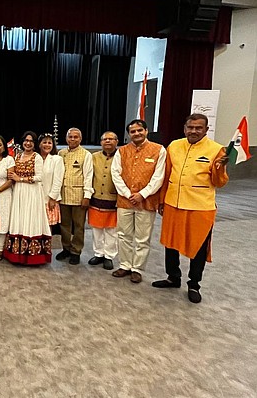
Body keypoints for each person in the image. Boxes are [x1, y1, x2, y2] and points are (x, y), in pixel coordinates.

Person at [153, 114, 229, 303]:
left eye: (198, 128)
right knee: (170, 243)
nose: (194, 131)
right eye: (190, 127)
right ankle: (173, 277)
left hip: (200, 207)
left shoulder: (217, 150)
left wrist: (220, 168)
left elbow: (219, 183)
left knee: (199, 248)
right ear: (184, 128)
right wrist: (161, 201)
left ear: (206, 129)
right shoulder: (174, 146)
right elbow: (167, 175)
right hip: (173, 203)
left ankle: (194, 284)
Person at [110, 119, 166, 284]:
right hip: (125, 201)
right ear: (129, 134)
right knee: (123, 235)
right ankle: (125, 265)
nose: (136, 134)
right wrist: (128, 194)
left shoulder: (158, 150)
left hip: (146, 202)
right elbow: (116, 174)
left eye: (139, 130)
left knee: (142, 238)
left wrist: (142, 194)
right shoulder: (122, 151)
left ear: (146, 131)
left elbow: (159, 177)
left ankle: (137, 269)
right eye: (133, 131)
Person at [4, 131, 52, 265]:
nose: (28, 143)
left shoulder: (37, 157)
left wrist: (21, 179)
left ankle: (32, 256)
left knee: (30, 219)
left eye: (31, 141)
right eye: (26, 140)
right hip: (19, 192)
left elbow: (39, 177)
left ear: (34, 143)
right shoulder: (18, 156)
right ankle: (16, 254)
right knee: (19, 219)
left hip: (32, 192)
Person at [57, 128, 93, 265]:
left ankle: (76, 251)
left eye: (75, 137)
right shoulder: (61, 153)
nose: (72, 139)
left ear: (80, 139)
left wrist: (87, 196)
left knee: (78, 226)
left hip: (79, 196)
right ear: (66, 138)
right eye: (70, 137)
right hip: (63, 195)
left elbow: (88, 176)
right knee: (64, 225)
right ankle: (66, 248)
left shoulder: (86, 155)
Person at [87, 131, 119, 271]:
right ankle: (98, 253)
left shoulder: (121, 157)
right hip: (95, 198)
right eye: (104, 139)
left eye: (111, 139)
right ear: (100, 142)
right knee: (96, 229)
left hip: (113, 198)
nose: (107, 141)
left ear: (116, 141)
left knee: (111, 230)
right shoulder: (94, 157)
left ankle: (109, 256)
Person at [37, 133, 64, 230]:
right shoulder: (35, 158)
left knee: (47, 230)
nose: (47, 145)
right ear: (39, 144)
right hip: (35, 198)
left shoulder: (57, 159)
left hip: (49, 200)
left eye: (49, 143)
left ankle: (46, 245)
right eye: (44, 142)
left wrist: (52, 198)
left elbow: (58, 181)